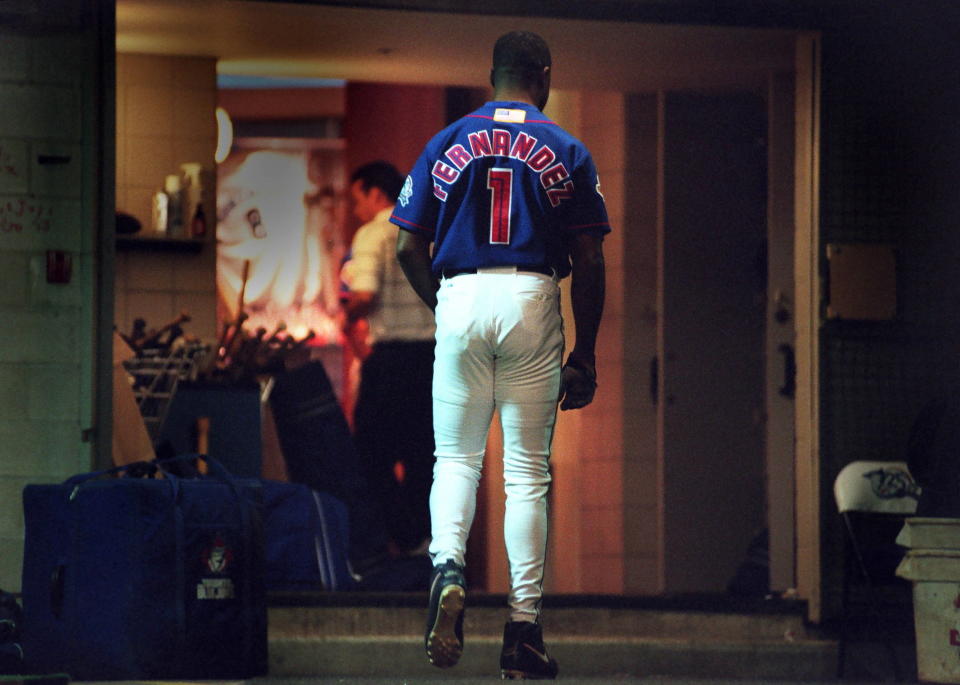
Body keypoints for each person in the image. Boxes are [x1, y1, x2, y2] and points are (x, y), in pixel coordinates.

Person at [392, 31, 608, 680]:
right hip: (532, 293)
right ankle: (522, 629)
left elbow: (406, 246)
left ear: (492, 77)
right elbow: (591, 258)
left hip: (459, 291)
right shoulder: (567, 148)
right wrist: (587, 352)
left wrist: (447, 311)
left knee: (454, 457)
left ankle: (447, 567)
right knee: (526, 474)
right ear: (543, 77)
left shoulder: (447, 141)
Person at [341, 161, 437, 557]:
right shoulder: (428, 230)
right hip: (433, 360)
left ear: (375, 193)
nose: (356, 210)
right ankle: (423, 543)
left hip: (392, 359)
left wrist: (346, 319)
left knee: (367, 455)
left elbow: (365, 294)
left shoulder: (373, 233)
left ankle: (403, 536)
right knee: (422, 457)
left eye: (357, 199)